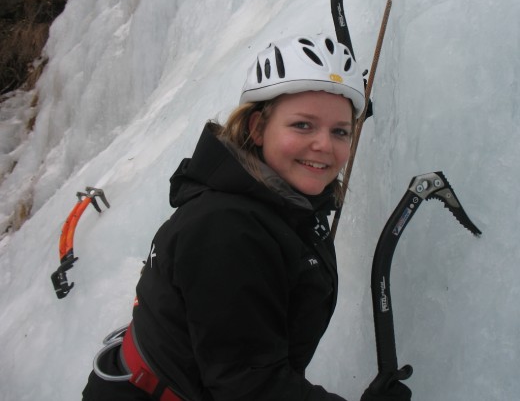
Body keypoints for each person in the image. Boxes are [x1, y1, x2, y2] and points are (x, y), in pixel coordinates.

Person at [82, 34, 411, 401]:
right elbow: (249, 387)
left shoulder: (280, 205)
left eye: (340, 131)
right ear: (257, 128)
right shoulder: (227, 230)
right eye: (303, 125)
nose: (324, 145)